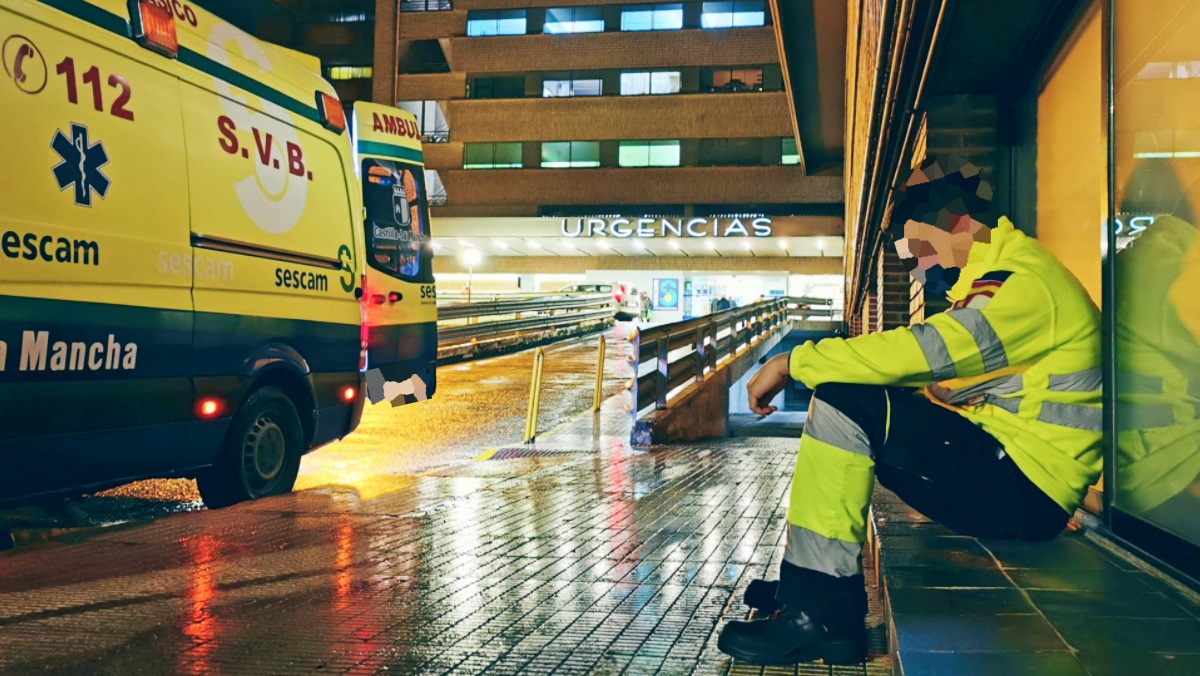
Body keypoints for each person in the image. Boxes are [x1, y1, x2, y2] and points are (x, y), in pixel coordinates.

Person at [717, 155, 1102, 666]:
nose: (918, 266)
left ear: (958, 225)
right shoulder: (996, 280)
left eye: (920, 248)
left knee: (846, 402)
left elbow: (926, 354)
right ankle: (810, 583)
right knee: (859, 401)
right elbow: (943, 380)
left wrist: (794, 362)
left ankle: (822, 612)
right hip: (1014, 475)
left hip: (1026, 491)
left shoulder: (1021, 282)